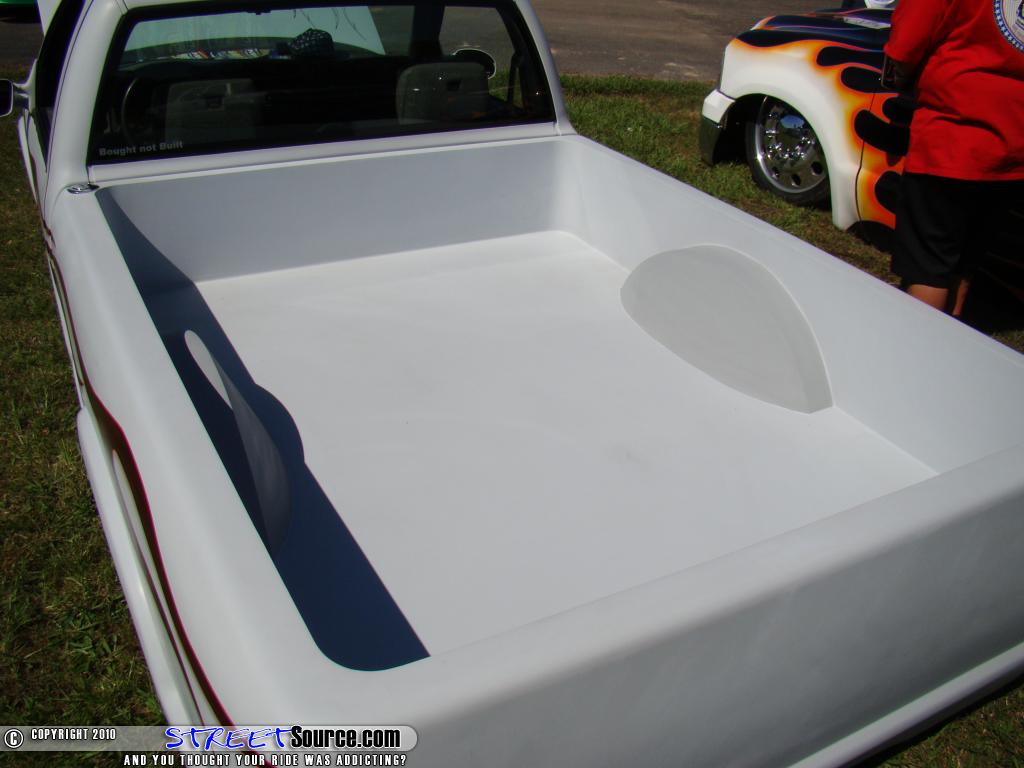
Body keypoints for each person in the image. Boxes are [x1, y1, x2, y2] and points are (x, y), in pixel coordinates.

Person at [881, 0, 1024, 315]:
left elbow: (905, 44)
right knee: (964, 262)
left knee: (928, 269)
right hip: (1012, 142)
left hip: (952, 135)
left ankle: (919, 341)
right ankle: (951, 335)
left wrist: (901, 78)